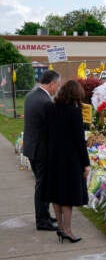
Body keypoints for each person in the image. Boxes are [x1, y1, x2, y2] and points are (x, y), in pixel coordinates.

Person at [42, 80, 90, 243]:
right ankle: (68, 231)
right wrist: (86, 163)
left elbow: (46, 133)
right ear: (76, 95)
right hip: (70, 160)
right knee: (68, 196)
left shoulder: (51, 109)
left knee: (56, 194)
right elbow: (79, 141)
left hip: (53, 157)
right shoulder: (74, 112)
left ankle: (61, 228)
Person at [23, 70, 61, 231]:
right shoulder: (45, 102)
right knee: (43, 186)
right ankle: (42, 221)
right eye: (57, 86)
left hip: (32, 147)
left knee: (41, 184)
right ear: (51, 84)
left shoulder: (31, 96)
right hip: (41, 150)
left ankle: (44, 216)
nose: (57, 89)